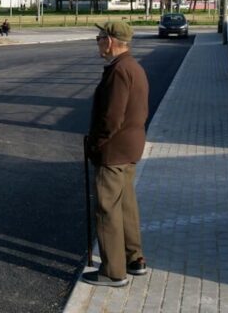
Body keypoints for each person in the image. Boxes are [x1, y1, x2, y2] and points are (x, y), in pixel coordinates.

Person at [83, 21, 149, 287]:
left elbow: (112, 118)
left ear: (109, 41)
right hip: (130, 147)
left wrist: (95, 144)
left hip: (114, 151)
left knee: (107, 209)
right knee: (125, 205)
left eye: (99, 37)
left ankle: (113, 272)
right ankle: (135, 259)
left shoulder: (119, 71)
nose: (97, 42)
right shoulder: (133, 66)